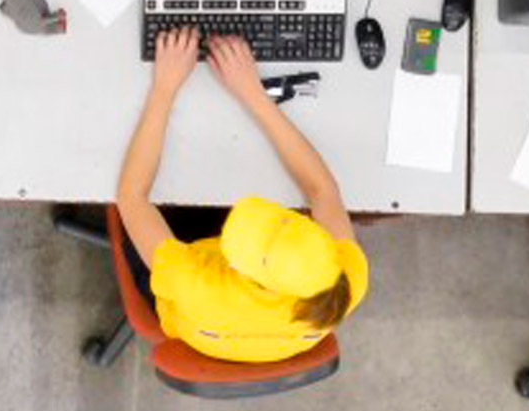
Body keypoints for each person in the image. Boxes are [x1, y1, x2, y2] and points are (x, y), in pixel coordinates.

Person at [102, 24, 371, 364]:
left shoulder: (193, 282)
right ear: (321, 242)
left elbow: (131, 196)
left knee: (168, 206)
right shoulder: (346, 283)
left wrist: (164, 88)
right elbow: (322, 190)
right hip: (261, 333)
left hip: (195, 314)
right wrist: (253, 95)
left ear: (233, 264)